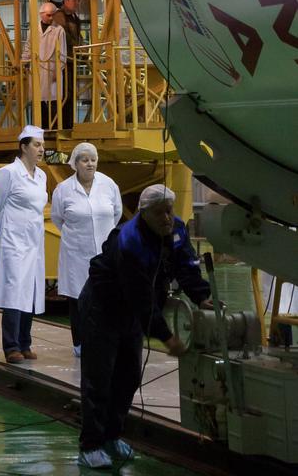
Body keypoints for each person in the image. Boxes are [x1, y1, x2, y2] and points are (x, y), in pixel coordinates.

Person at [77, 183, 212, 470]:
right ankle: (91, 444)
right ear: (144, 214)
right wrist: (166, 336)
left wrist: (202, 296)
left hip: (131, 312)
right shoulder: (129, 241)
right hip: (103, 307)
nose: (167, 218)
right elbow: (140, 296)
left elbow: (186, 264)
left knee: (128, 377)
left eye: (169, 210)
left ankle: (112, 436)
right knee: (99, 378)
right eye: (159, 213)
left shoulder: (174, 229)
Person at [49, 142, 122, 356]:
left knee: (107, 296)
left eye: (93, 160)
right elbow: (57, 218)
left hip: (105, 252)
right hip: (75, 252)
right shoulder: (64, 189)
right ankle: (80, 343)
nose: (90, 164)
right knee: (78, 298)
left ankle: (107, 340)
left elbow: (116, 213)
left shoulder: (109, 185)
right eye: (85, 160)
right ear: (75, 163)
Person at [0, 125, 47, 364]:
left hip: (33, 241)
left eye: (42, 145)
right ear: (23, 147)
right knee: (13, 290)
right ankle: (11, 346)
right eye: (36, 145)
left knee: (29, 290)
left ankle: (25, 342)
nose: (41, 149)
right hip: (12, 239)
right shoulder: (8, 173)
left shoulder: (41, 176)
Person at [52, 0, 81, 126]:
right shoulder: (59, 16)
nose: (77, 3)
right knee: (64, 93)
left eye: (78, 0)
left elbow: (76, 37)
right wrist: (78, 48)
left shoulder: (75, 18)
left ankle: (68, 123)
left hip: (71, 60)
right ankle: (61, 123)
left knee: (70, 93)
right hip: (63, 62)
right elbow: (65, 37)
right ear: (66, 0)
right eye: (74, 0)